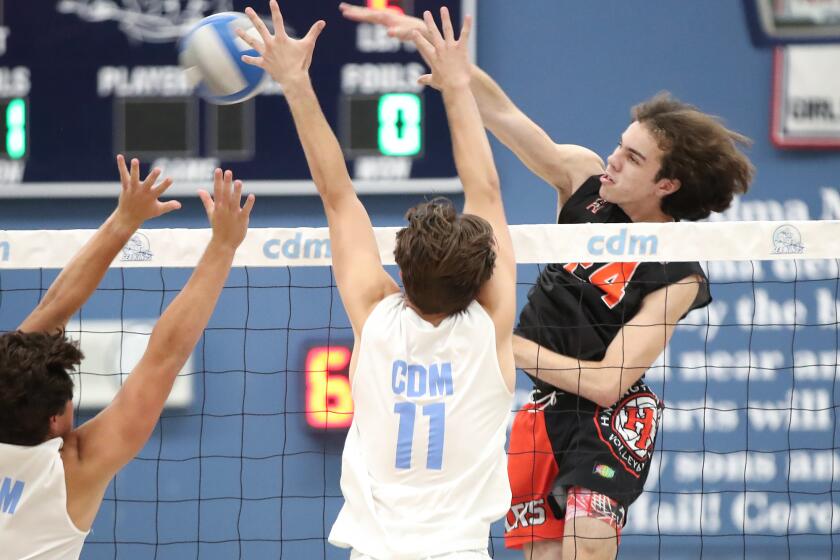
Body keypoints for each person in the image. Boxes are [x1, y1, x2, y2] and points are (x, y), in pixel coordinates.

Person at [340, 5, 754, 559]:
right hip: (539, 409)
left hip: (607, 418)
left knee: (582, 552)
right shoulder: (583, 180)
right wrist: (450, 66)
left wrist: (501, 344)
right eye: (619, 144)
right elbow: (505, 117)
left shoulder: (679, 273)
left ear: (668, 183)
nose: (613, 159)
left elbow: (609, 383)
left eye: (632, 159)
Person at [238, 2, 515, 558]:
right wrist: (459, 86)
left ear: (401, 271)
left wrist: (294, 81)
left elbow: (336, 191)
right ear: (481, 278)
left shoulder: (375, 311)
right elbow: (485, 186)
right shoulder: (491, 325)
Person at [0, 157, 254, 559]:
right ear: (53, 420)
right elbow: (163, 357)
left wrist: (124, 220)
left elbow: (54, 310)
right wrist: (223, 244)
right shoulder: (70, 475)